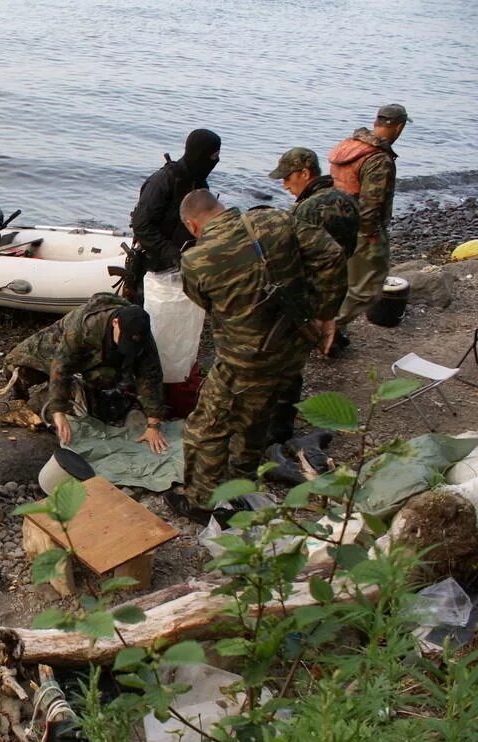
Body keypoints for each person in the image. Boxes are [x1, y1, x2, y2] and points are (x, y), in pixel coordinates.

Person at [167, 190, 346, 525]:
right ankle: (242, 479)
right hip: (293, 345)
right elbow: (331, 255)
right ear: (221, 206)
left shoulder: (196, 260)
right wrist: (326, 312)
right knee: (257, 411)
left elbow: (205, 303)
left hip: (245, 358)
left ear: (193, 225)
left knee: (206, 426)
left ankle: (199, 501)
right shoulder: (275, 219)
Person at [265, 146, 360, 442]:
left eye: (287, 177)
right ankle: (283, 424)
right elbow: (347, 252)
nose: (284, 183)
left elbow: (289, 256)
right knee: (295, 361)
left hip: (302, 296)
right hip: (330, 291)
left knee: (283, 365)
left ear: (305, 173)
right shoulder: (347, 200)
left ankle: (277, 431)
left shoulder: (304, 211)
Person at [4, 293, 169, 453]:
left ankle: (91, 393)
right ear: (116, 323)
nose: (128, 346)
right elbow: (62, 365)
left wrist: (153, 425)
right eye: (124, 340)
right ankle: (20, 400)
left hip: (96, 361)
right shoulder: (85, 325)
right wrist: (58, 411)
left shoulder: (143, 336)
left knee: (104, 379)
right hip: (58, 347)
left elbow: (150, 376)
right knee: (14, 366)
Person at [327, 103, 410, 353]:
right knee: (369, 289)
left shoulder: (349, 145)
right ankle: (328, 328)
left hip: (336, 222)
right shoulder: (378, 158)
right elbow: (371, 204)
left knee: (340, 281)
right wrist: (372, 235)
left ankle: (333, 331)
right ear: (399, 127)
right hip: (361, 230)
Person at [126, 128, 222, 301]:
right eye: (213, 156)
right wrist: (173, 254)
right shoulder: (163, 181)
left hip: (181, 265)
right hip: (153, 268)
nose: (216, 161)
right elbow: (141, 225)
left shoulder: (199, 183)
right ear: (200, 154)